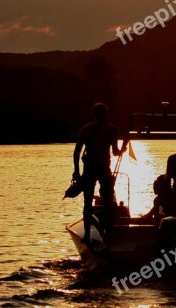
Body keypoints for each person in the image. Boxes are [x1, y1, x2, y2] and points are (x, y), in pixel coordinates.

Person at [73, 102, 124, 245]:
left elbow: (77, 153)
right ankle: (109, 233)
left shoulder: (85, 129)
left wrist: (76, 170)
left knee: (87, 202)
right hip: (103, 168)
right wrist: (123, 150)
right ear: (106, 114)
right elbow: (115, 152)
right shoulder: (111, 130)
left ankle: (87, 235)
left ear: (93, 114)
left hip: (89, 168)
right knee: (108, 202)